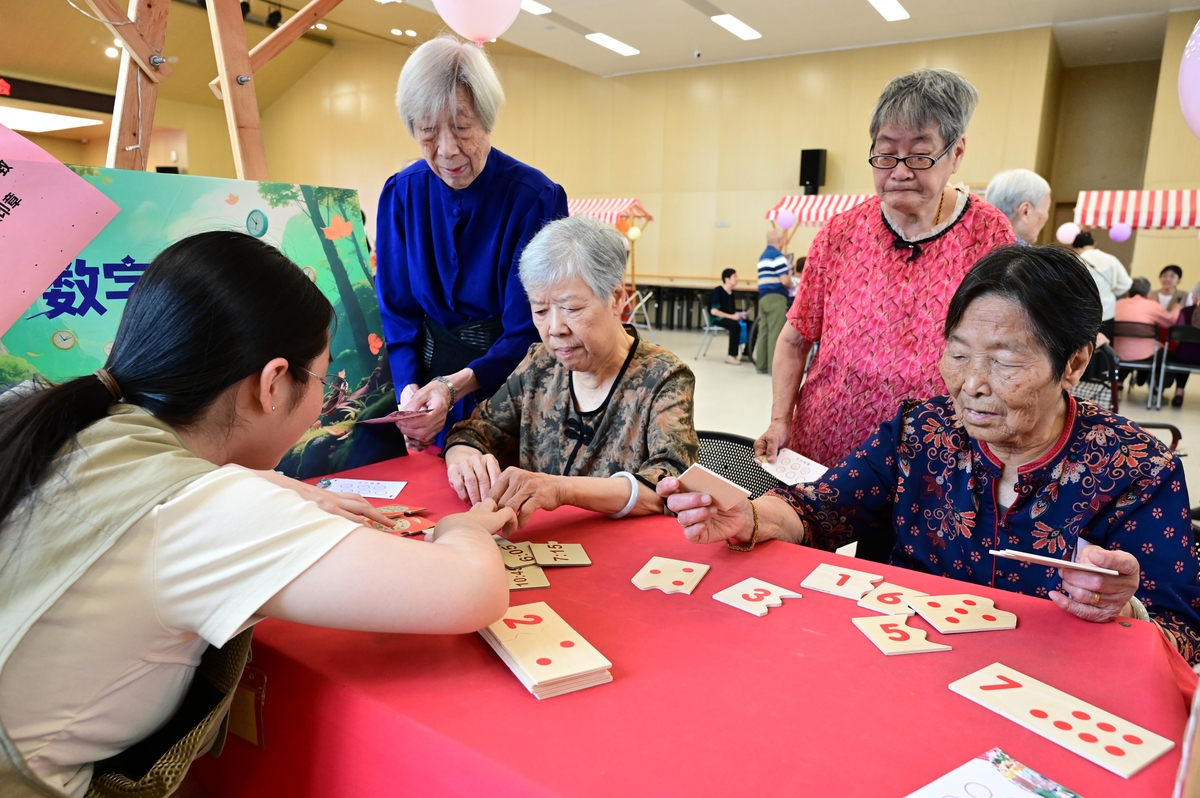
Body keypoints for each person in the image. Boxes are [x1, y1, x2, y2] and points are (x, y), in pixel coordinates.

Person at [0, 232, 514, 797]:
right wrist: (459, 527)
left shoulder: (49, 422)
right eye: (319, 380)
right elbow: (474, 591)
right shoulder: (204, 511)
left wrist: (258, 484)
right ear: (271, 384)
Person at [662, 245, 1200, 665]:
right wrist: (751, 516)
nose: (971, 385)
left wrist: (1123, 608)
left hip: (1046, 690)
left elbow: (1182, 637)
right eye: (958, 355)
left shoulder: (1138, 470)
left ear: (1075, 363)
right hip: (902, 666)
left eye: (1004, 362)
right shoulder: (921, 431)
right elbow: (819, 509)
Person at [757, 69, 1015, 468]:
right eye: (886, 154)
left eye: (918, 155)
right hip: (827, 444)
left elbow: (1005, 352)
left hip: (932, 458)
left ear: (957, 154)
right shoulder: (840, 232)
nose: (899, 171)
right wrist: (779, 420)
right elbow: (794, 341)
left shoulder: (988, 234)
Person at [443, 216, 699, 528]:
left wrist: (561, 489)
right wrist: (464, 461)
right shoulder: (540, 364)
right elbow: (474, 431)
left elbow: (668, 484)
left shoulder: (662, 377)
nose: (554, 329)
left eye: (571, 309)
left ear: (617, 297)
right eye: (539, 311)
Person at [376, 36, 569, 450]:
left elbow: (531, 328)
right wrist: (409, 392)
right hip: (426, 396)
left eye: (462, 128)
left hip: (508, 395)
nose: (447, 150)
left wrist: (455, 387)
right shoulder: (401, 194)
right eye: (428, 132)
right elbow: (397, 311)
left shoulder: (535, 198)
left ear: (486, 119)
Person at [1113, 277, 1179, 390]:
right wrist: (1177, 309)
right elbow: (1170, 322)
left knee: (1128, 348)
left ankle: (1119, 381)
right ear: (1148, 292)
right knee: (1166, 353)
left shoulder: (1117, 304)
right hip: (1146, 355)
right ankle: (1157, 385)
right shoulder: (1152, 305)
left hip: (1117, 353)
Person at [1073, 231, 1132, 342]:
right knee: (1104, 347)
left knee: (1085, 347)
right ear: (1094, 244)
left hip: (1085, 313)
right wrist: (1112, 292)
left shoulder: (1077, 261)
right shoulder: (1111, 259)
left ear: (1076, 248)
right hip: (1107, 311)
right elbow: (1126, 283)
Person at [755, 230, 792, 374]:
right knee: (775, 332)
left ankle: (761, 365)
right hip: (776, 297)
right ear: (779, 240)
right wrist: (790, 281)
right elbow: (784, 280)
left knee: (763, 331)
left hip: (763, 297)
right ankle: (773, 368)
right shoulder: (778, 256)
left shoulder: (763, 256)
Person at [984, 168, 1051, 244]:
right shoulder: (1024, 255)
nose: (1046, 217)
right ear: (1026, 212)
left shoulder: (974, 248)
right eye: (1046, 209)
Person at [1163, 302, 1200, 406]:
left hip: (1184, 356)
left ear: (1194, 297)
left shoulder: (1185, 311)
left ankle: (1179, 393)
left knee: (1182, 354)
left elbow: (1176, 337)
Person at [709, 268, 747, 364]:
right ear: (727, 279)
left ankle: (746, 354)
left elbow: (731, 311)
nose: (737, 279)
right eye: (735, 276)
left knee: (751, 324)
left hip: (728, 317)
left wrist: (740, 315)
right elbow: (714, 311)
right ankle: (731, 356)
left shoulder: (731, 293)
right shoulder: (718, 291)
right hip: (718, 318)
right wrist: (733, 317)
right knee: (735, 326)